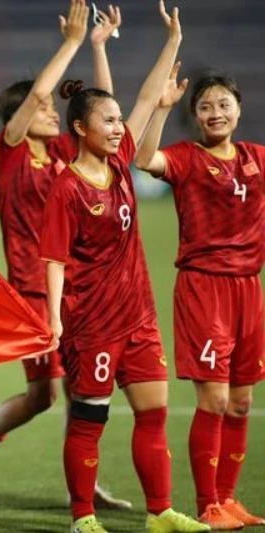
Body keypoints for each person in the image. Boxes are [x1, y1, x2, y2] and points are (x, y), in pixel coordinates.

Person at [39, 3, 210, 532]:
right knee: (89, 420)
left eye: (118, 121)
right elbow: (54, 259)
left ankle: (160, 513)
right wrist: (54, 319)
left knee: (154, 411)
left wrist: (173, 41)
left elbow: (145, 98)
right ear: (80, 128)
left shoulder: (118, 162)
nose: (118, 128)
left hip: (138, 316)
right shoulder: (66, 188)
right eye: (108, 121)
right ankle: (83, 517)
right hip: (91, 323)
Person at [0, 0, 129, 510]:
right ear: (22, 117)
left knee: (82, 392)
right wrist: (70, 42)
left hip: (79, 290)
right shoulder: (9, 151)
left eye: (55, 107)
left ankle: (84, 485)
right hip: (33, 293)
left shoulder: (61, 154)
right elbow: (35, 94)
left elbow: (103, 110)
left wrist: (97, 47)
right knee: (43, 396)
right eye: (47, 109)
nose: (54, 111)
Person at [134, 69, 265, 530]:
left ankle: (229, 499)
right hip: (204, 288)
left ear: (239, 110)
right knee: (215, 398)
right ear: (195, 116)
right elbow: (142, 158)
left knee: (242, 402)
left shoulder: (256, 158)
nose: (216, 113)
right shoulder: (187, 159)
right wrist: (161, 108)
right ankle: (209, 504)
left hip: (249, 289)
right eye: (206, 107)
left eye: (224, 104)